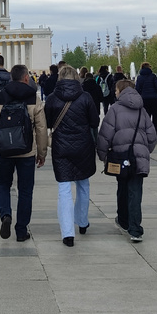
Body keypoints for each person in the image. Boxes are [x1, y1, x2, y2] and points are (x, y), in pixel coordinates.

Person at [0, 64, 48, 242]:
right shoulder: (33, 98)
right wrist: (42, 152)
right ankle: (21, 230)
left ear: (11, 78)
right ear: (26, 78)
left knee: (2, 185)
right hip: (27, 151)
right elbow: (41, 129)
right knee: (25, 191)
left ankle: (6, 215)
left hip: (4, 151)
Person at [96, 78, 157, 241]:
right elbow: (152, 135)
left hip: (120, 156)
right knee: (135, 192)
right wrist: (145, 151)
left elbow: (105, 135)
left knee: (122, 188)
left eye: (116, 90)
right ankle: (135, 229)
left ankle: (123, 220)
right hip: (139, 158)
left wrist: (103, 155)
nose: (115, 93)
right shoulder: (142, 110)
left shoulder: (115, 109)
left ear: (121, 91)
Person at [45, 65, 98, 246]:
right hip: (83, 146)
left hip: (61, 147)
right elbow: (94, 121)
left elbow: (48, 122)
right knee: (83, 184)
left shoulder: (52, 98)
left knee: (64, 189)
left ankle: (67, 233)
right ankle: (82, 221)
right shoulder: (85, 97)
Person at [134, 61, 157, 142]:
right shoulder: (153, 76)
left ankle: (146, 136)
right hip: (154, 99)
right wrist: (155, 93)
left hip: (144, 99)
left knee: (145, 118)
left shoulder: (139, 77)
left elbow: (137, 89)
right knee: (156, 118)